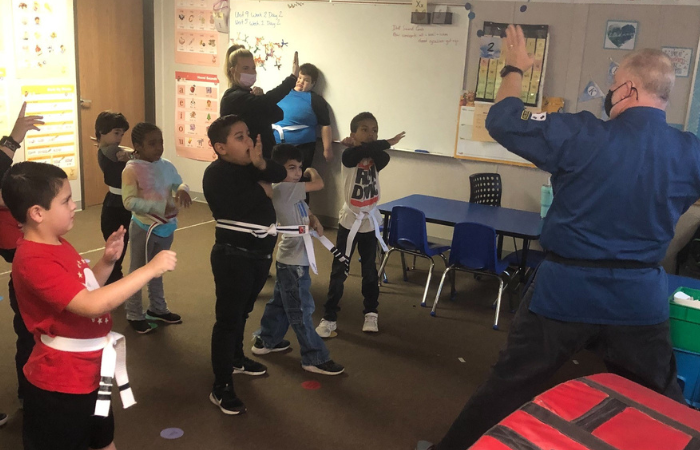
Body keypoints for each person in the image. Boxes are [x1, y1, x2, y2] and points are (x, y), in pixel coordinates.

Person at [418, 25, 698, 450]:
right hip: (638, 297)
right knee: (660, 402)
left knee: (508, 388)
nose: (608, 93)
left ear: (627, 88)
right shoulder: (690, 151)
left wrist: (516, 67)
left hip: (566, 291)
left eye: (612, 84)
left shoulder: (583, 132)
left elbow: (503, 119)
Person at [3, 161, 177, 450]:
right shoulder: (32, 260)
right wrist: (148, 270)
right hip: (60, 383)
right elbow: (90, 304)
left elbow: (82, 289)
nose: (74, 206)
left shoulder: (59, 243)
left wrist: (107, 262)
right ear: (37, 213)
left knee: (102, 439)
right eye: (66, 200)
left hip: (92, 372)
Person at [203, 114, 287, 415]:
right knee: (228, 319)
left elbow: (279, 174)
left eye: (249, 134)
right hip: (232, 256)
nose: (250, 141)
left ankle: (236, 359)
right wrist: (263, 186)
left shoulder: (253, 167)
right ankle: (221, 385)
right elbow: (247, 203)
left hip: (259, 255)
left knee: (244, 311)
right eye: (240, 137)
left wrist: (263, 167)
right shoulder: (217, 174)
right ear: (221, 147)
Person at [252, 144, 345, 375]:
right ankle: (314, 357)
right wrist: (311, 170)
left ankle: (266, 340)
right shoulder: (284, 188)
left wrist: (314, 219)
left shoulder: (292, 191)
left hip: (292, 259)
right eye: (291, 167)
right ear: (277, 170)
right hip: (294, 262)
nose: (297, 172)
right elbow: (319, 184)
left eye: (299, 167)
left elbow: (303, 210)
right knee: (302, 309)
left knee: (281, 303)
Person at [315, 112, 404, 337]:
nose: (371, 134)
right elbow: (356, 155)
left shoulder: (379, 157)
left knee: (370, 271)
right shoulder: (348, 155)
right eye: (364, 129)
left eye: (374, 130)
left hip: (370, 223)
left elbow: (378, 155)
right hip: (349, 222)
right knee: (340, 270)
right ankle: (329, 316)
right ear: (352, 133)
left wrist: (379, 144)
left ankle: (371, 312)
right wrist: (386, 142)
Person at [121, 122, 191, 334]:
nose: (159, 148)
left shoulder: (166, 165)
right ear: (138, 146)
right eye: (152, 144)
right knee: (138, 271)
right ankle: (134, 313)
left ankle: (158, 309)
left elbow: (178, 182)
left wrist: (182, 189)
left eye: (160, 142)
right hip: (144, 227)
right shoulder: (131, 170)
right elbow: (129, 201)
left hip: (166, 227)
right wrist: (160, 205)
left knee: (158, 269)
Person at [0, 102, 43, 424]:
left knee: (30, 328)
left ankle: (33, 392)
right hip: (18, 258)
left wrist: (13, 139)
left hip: (23, 260)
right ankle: (31, 394)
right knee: (27, 329)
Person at [219, 44, 300, 158]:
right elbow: (268, 101)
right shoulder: (233, 97)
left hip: (263, 155)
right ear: (233, 71)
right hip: (245, 160)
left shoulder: (251, 95)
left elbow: (278, 114)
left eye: (253, 68)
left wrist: (261, 97)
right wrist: (291, 79)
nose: (251, 72)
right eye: (245, 68)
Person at [272, 63, 334, 170]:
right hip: (276, 146)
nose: (300, 81)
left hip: (301, 148)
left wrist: (327, 149)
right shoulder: (283, 92)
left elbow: (325, 125)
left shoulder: (316, 100)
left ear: (313, 83)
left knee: (297, 181)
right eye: (299, 77)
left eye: (306, 80)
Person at [95, 111, 132, 285]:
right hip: (115, 206)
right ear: (102, 131)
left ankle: (114, 277)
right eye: (116, 133)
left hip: (120, 202)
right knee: (118, 244)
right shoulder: (111, 150)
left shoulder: (104, 146)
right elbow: (123, 153)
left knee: (120, 243)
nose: (120, 138)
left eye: (122, 134)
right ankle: (112, 280)